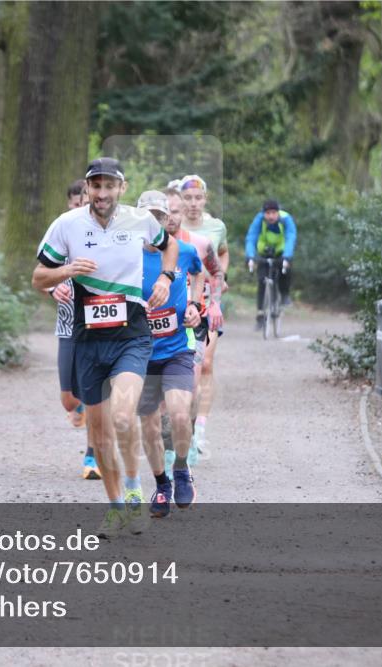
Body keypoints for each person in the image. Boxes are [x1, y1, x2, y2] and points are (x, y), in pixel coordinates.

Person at [32, 158, 178, 538]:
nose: (102, 193)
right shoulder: (66, 225)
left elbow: (170, 245)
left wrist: (166, 275)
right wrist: (65, 273)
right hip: (87, 338)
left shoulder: (140, 220)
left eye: (109, 186)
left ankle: (134, 490)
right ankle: (115, 508)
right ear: (87, 188)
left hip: (131, 334)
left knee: (123, 417)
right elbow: (38, 277)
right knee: (98, 439)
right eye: (95, 186)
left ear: (121, 188)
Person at [134, 190, 203, 517]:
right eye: (147, 217)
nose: (153, 223)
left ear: (166, 221)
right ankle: (161, 485)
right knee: (148, 424)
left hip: (176, 348)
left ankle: (180, 469)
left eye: (159, 217)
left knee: (178, 414)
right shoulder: (126, 257)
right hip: (140, 353)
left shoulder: (183, 252)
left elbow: (199, 272)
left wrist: (195, 306)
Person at [163, 187, 223, 466]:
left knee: (191, 384)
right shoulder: (146, 245)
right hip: (161, 323)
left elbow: (217, 272)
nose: (170, 217)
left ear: (182, 212)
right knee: (162, 391)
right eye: (166, 212)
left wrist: (213, 304)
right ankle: (169, 449)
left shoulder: (198, 244)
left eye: (175, 211)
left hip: (193, 322)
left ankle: (192, 432)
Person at [47, 179, 100, 479]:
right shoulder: (61, 232)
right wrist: (54, 288)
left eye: (85, 201)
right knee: (69, 399)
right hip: (67, 326)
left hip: (97, 326)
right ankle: (76, 407)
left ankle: (92, 457)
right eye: (75, 202)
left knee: (94, 395)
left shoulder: (101, 235)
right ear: (69, 204)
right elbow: (44, 273)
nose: (80, 207)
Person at [176, 174, 228, 458]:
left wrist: (221, 278)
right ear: (181, 200)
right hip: (179, 303)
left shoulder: (215, 226)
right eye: (188, 198)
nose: (193, 203)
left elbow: (222, 254)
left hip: (208, 302)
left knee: (205, 363)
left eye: (198, 198)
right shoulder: (172, 225)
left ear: (205, 199)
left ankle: (201, 427)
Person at [245, 199, 297, 330]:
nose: (271, 216)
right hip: (264, 252)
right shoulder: (259, 220)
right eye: (267, 213)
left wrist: (287, 256)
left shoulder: (286, 219)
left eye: (274, 213)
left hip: (281, 252)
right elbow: (251, 237)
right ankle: (261, 315)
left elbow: (291, 237)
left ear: (278, 212)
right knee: (262, 281)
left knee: (286, 270)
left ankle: (284, 294)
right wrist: (250, 256)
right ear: (264, 213)